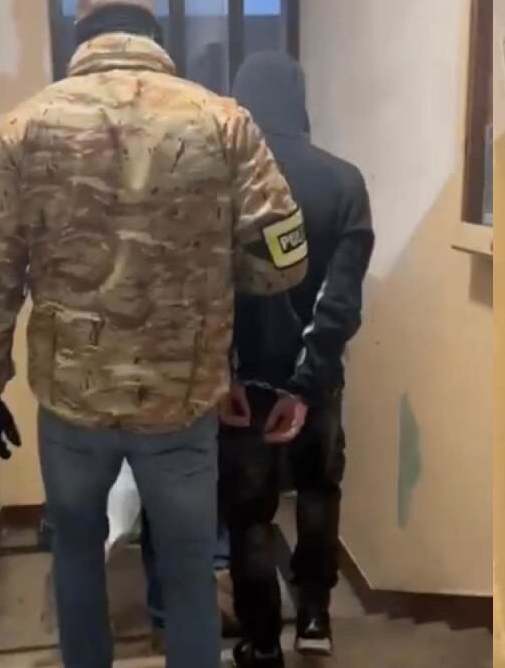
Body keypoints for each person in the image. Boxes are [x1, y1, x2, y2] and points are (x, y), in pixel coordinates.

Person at [0, 0, 309, 667]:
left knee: (77, 561)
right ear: (154, 33)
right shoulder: (222, 121)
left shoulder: (24, 128)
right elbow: (285, 254)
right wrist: (218, 281)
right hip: (181, 401)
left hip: (74, 405)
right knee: (187, 571)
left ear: (81, 35)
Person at [198, 51, 372, 667]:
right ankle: (317, 619)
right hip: (315, 385)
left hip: (243, 386)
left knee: (249, 515)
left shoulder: (219, 183)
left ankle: (263, 641)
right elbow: (340, 303)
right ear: (300, 98)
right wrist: (305, 385)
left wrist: (223, 375)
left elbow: (207, 295)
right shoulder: (343, 182)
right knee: (319, 489)